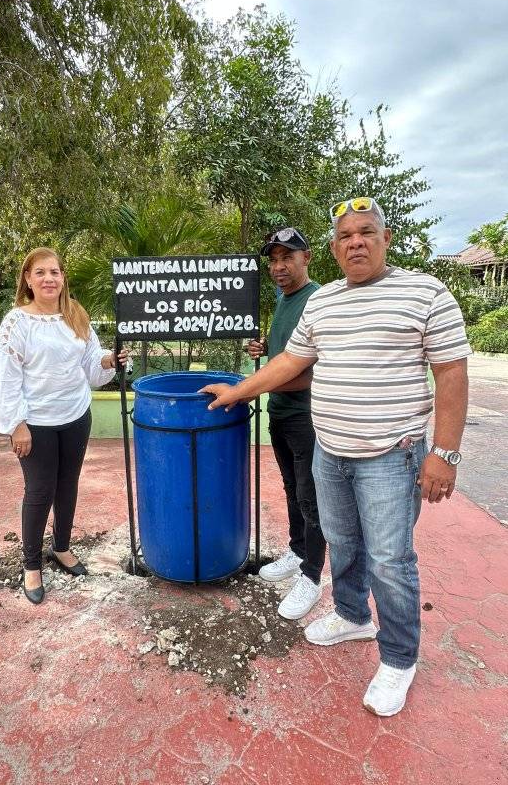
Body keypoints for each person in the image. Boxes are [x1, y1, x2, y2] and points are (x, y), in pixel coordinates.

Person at [201, 197, 470, 716]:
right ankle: (352, 615)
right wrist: (238, 391)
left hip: (393, 455)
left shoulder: (425, 292)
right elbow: (288, 362)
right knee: (342, 542)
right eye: (346, 236)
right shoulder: (324, 305)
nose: (356, 242)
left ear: (385, 239)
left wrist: (445, 453)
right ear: (334, 248)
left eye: (366, 232)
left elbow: (451, 373)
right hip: (331, 450)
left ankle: (398, 659)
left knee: (390, 560)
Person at [0, 247, 129, 605]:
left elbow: (92, 367)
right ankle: (31, 564)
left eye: (54, 272)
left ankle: (62, 547)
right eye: (40, 272)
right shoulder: (16, 323)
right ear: (28, 279)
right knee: (39, 491)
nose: (48, 278)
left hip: (75, 417)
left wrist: (109, 359)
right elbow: (6, 378)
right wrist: (15, 424)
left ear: (62, 277)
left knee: (68, 484)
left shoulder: (76, 316)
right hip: (35, 423)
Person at [248, 227, 326, 620]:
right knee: (292, 489)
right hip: (280, 412)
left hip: (307, 417)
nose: (279, 267)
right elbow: (288, 353)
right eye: (274, 260)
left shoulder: (318, 299)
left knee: (311, 498)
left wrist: (256, 386)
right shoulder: (285, 300)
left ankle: (312, 577)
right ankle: (297, 552)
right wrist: (266, 348)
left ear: (306, 258)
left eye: (287, 258)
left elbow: (316, 369)